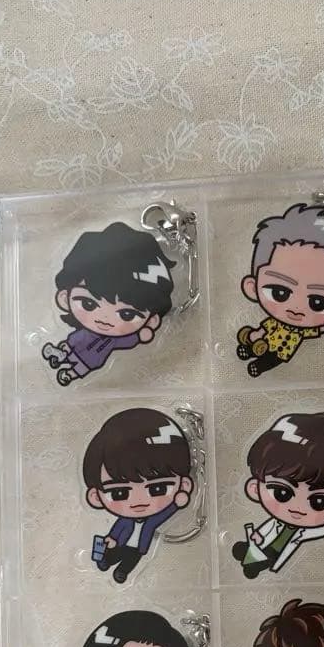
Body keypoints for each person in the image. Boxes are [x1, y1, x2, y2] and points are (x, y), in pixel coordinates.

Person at [236, 202, 324, 377]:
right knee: (261, 347)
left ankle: (259, 365)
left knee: (271, 360)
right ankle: (249, 350)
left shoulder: (303, 329)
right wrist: (255, 335)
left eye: (318, 303)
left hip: (283, 351)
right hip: (267, 341)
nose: (296, 308)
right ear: (252, 287)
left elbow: (320, 329)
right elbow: (263, 329)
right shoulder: (275, 323)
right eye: (280, 293)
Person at [233, 412, 324, 577]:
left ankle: (256, 564)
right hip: (270, 554)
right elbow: (269, 527)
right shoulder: (276, 523)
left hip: (286, 560)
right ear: (255, 488)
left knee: (266, 560)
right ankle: (251, 559)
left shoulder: (309, 531)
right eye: (282, 493)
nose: (298, 508)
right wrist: (258, 535)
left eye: (320, 502)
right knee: (259, 556)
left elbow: (315, 532)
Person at [42, 221, 174, 385]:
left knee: (81, 366)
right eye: (89, 304)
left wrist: (141, 335)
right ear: (64, 298)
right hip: (78, 346)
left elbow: (133, 339)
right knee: (70, 345)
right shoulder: (85, 333)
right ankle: (60, 354)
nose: (104, 318)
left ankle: (69, 374)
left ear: (152, 320)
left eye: (127, 314)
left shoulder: (119, 339)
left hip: (92, 360)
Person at [82, 408, 193, 583]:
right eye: (120, 493)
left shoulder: (152, 520)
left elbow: (164, 515)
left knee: (129, 561)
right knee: (115, 554)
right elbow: (116, 530)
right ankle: (106, 561)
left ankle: (122, 572)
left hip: (139, 548)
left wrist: (176, 503)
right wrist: (111, 539)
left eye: (157, 489)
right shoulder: (124, 520)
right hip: (122, 543)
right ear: (95, 496)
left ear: (184, 484)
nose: (139, 500)